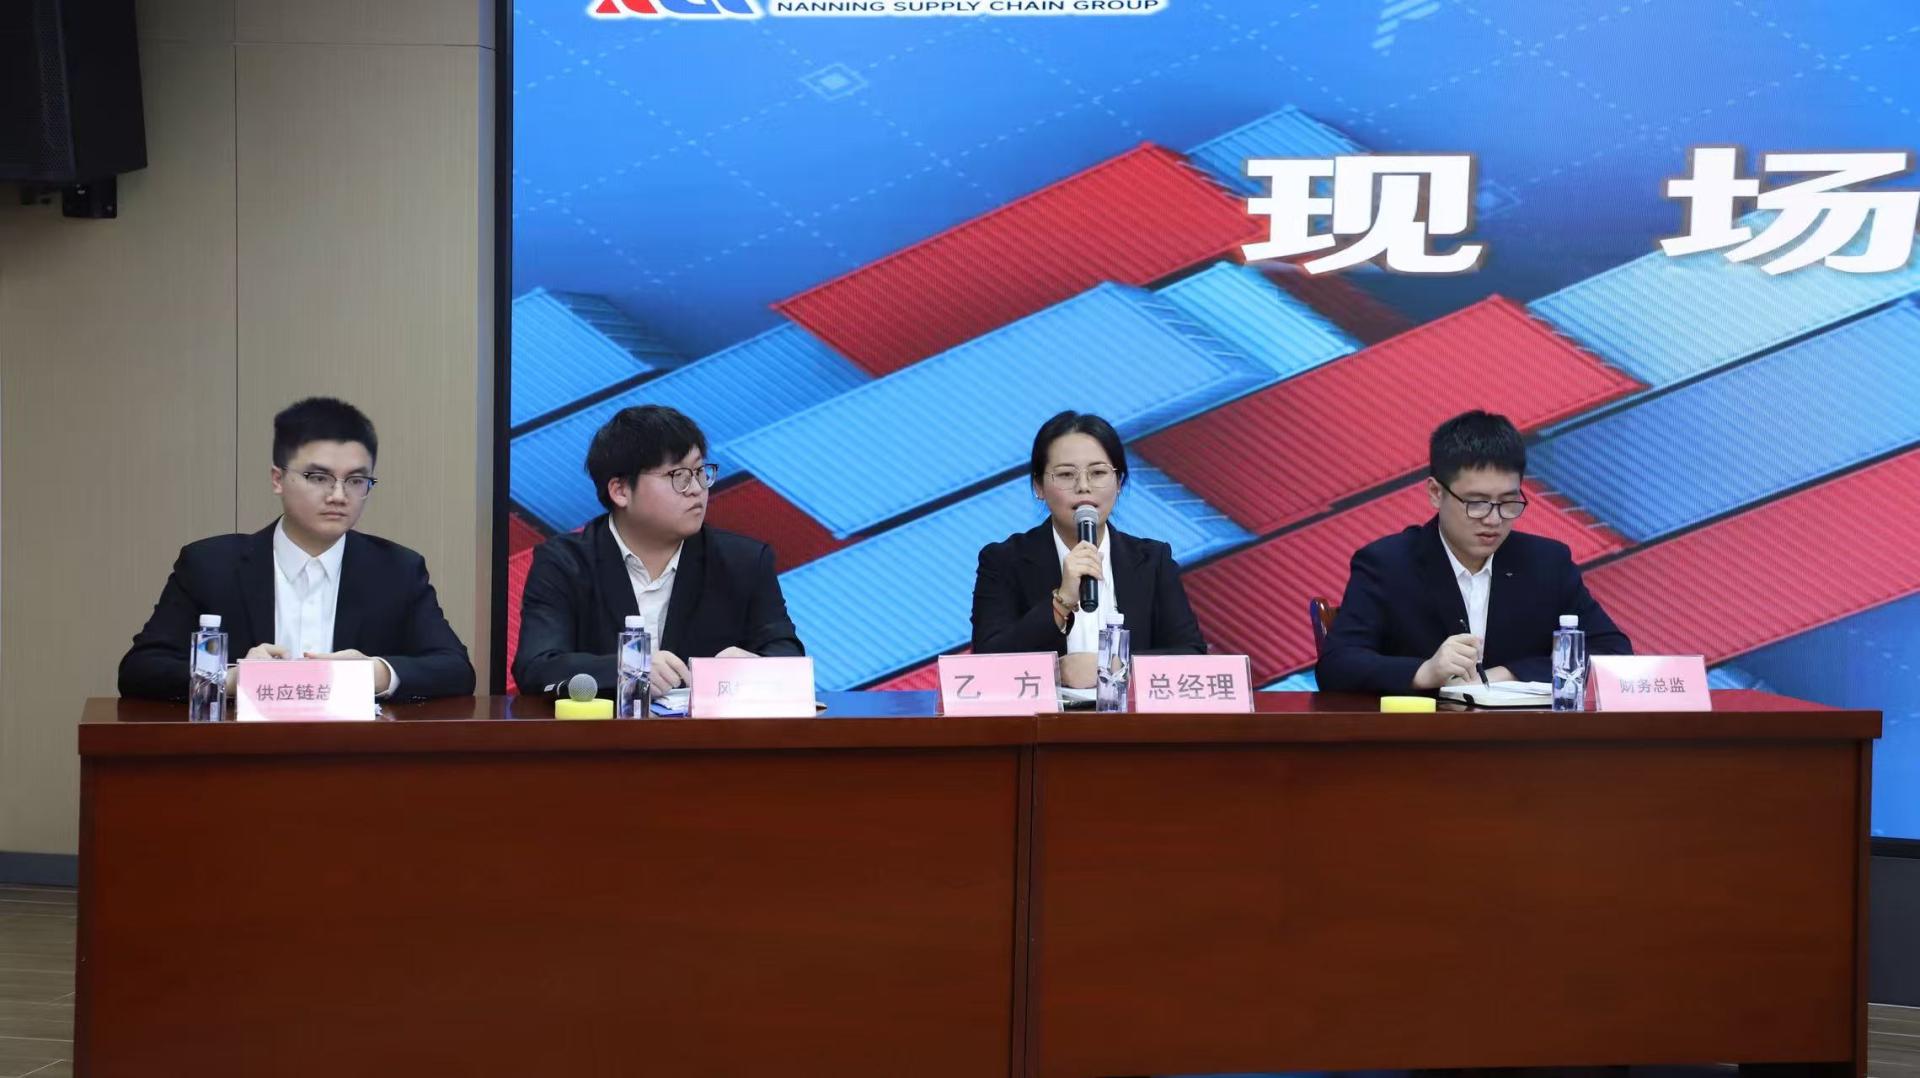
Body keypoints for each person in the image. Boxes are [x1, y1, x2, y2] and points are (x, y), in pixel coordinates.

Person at [119, 397, 475, 700]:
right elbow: (139, 670)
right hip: (241, 754)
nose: (338, 495)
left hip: (357, 754)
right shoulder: (211, 566)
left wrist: (374, 674)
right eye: (318, 477)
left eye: (356, 480)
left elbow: (456, 669)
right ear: (278, 479)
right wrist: (232, 679)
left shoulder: (396, 570)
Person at [1315, 409, 1631, 694]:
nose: (1493, 519)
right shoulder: (1387, 564)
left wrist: (1506, 675)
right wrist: (1425, 672)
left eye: (1508, 502)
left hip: (1525, 734)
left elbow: (1612, 653)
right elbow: (1337, 665)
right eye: (1477, 503)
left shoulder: (1547, 562)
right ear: (1436, 493)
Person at [512, 404, 802, 697]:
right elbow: (536, 667)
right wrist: (631, 668)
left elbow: (787, 655)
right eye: (678, 475)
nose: (696, 488)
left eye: (700, 472)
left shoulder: (745, 562)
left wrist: (756, 667)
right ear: (620, 491)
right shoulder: (565, 564)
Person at [971, 410, 1207, 688]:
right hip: (1042, 716)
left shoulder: (1153, 561)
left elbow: (1191, 656)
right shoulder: (1003, 561)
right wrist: (1061, 602)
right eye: (1066, 474)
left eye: (1097, 473)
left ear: (1119, 483)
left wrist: (1111, 668)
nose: (1083, 486)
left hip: (1130, 717)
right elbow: (986, 664)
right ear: (1038, 485)